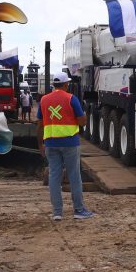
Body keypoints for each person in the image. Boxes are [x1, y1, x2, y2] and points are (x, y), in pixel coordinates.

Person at [37, 72, 95, 221]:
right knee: (74, 176)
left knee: (54, 177)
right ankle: (79, 210)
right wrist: (84, 115)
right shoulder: (71, 98)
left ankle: (57, 212)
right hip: (70, 143)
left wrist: (40, 145)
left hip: (50, 143)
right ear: (65, 85)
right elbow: (82, 122)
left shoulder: (44, 100)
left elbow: (39, 125)